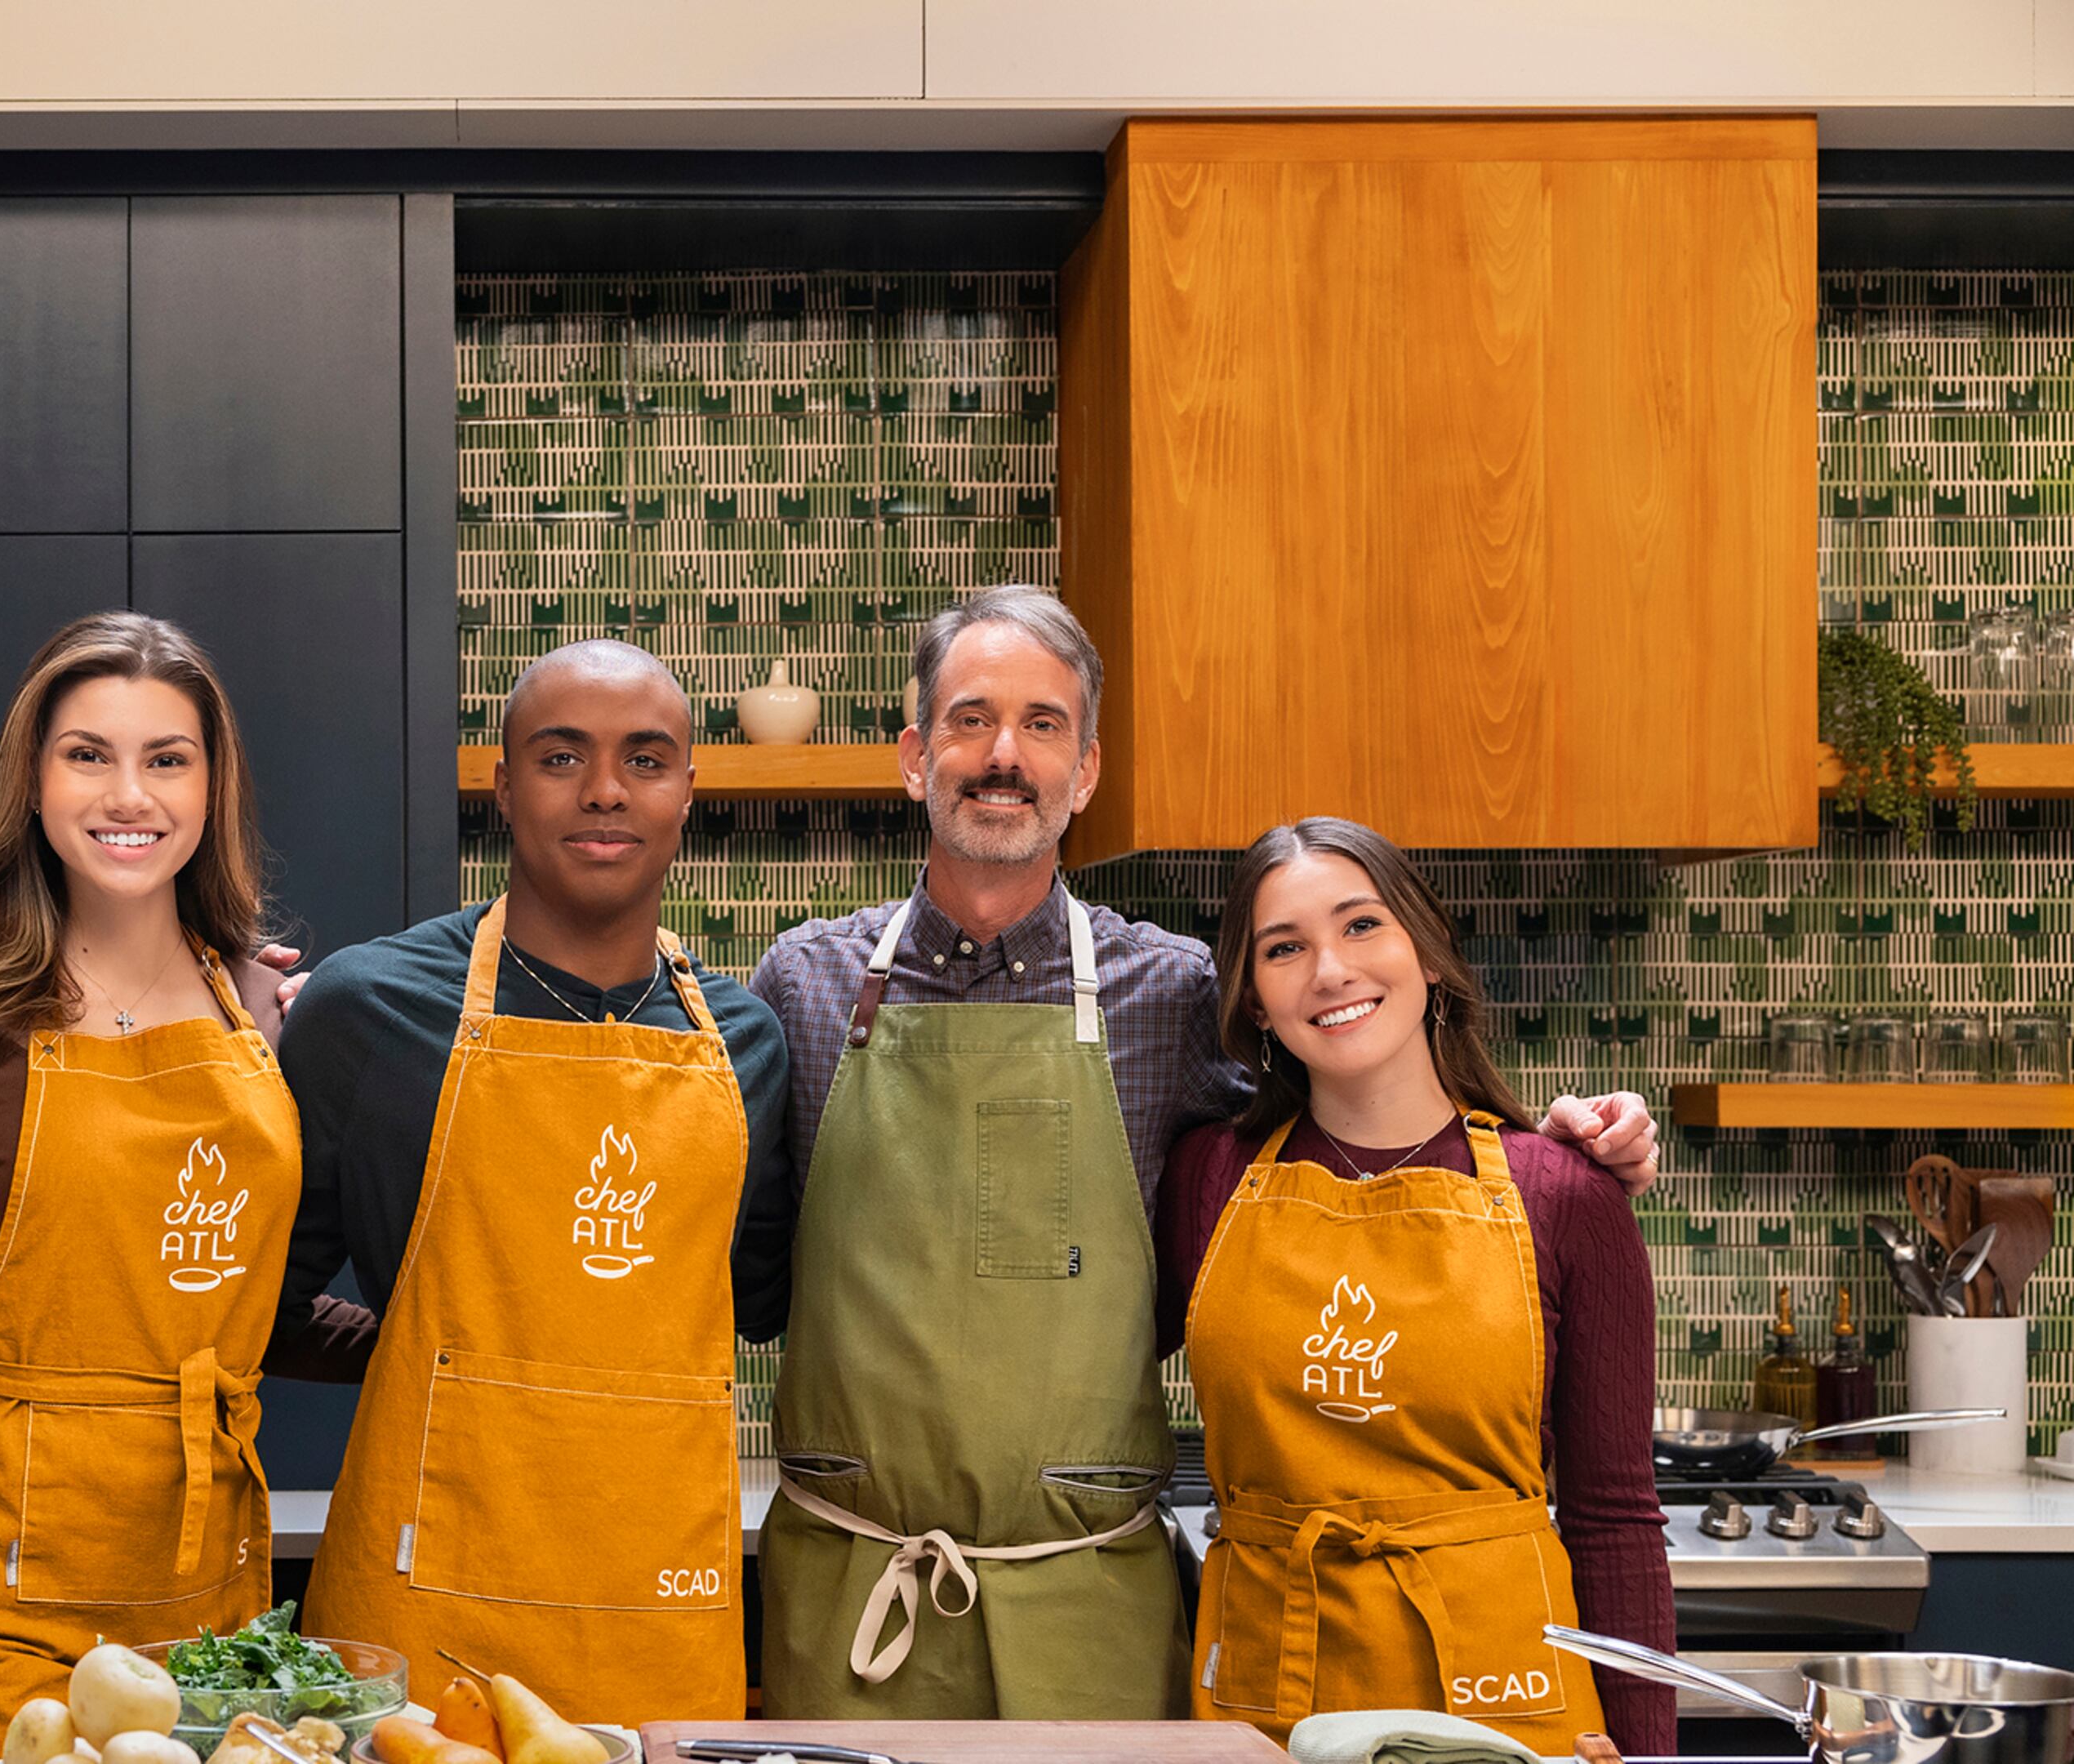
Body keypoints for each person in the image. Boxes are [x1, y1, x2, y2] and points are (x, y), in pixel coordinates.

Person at [745, 586, 1662, 1721]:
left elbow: (1357, 1113)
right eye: (969, 718)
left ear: (1084, 772)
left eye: (1044, 725)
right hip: (847, 1598)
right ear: (911, 757)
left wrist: (1557, 1143)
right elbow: (752, 1277)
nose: (1002, 755)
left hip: (1088, 1611)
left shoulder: (1172, 992)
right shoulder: (803, 984)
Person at [0, 612, 375, 1756]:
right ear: (33, 782)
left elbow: (240, 1306)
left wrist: (442, 1350)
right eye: (87, 754)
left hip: (205, 1599)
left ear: (211, 787)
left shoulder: (265, 1005)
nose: (127, 795)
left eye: (167, 759)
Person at [277, 640, 793, 1720]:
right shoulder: (367, 1012)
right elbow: (250, 1304)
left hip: (661, 1610)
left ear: (688, 793)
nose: (604, 790)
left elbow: (755, 1304)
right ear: (502, 785)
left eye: (645, 759)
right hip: (422, 1608)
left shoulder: (747, 1043)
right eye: (562, 757)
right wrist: (441, 1362)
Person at [1159, 817, 1676, 1753]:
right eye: (1285, 948)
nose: (1330, 970)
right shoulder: (1206, 1177)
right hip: (1266, 1690)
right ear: (1256, 1004)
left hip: (1506, 1697)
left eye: (1362, 926)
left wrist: (1646, 1755)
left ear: (1428, 955)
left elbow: (1615, 1520)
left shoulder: (1565, 1192)